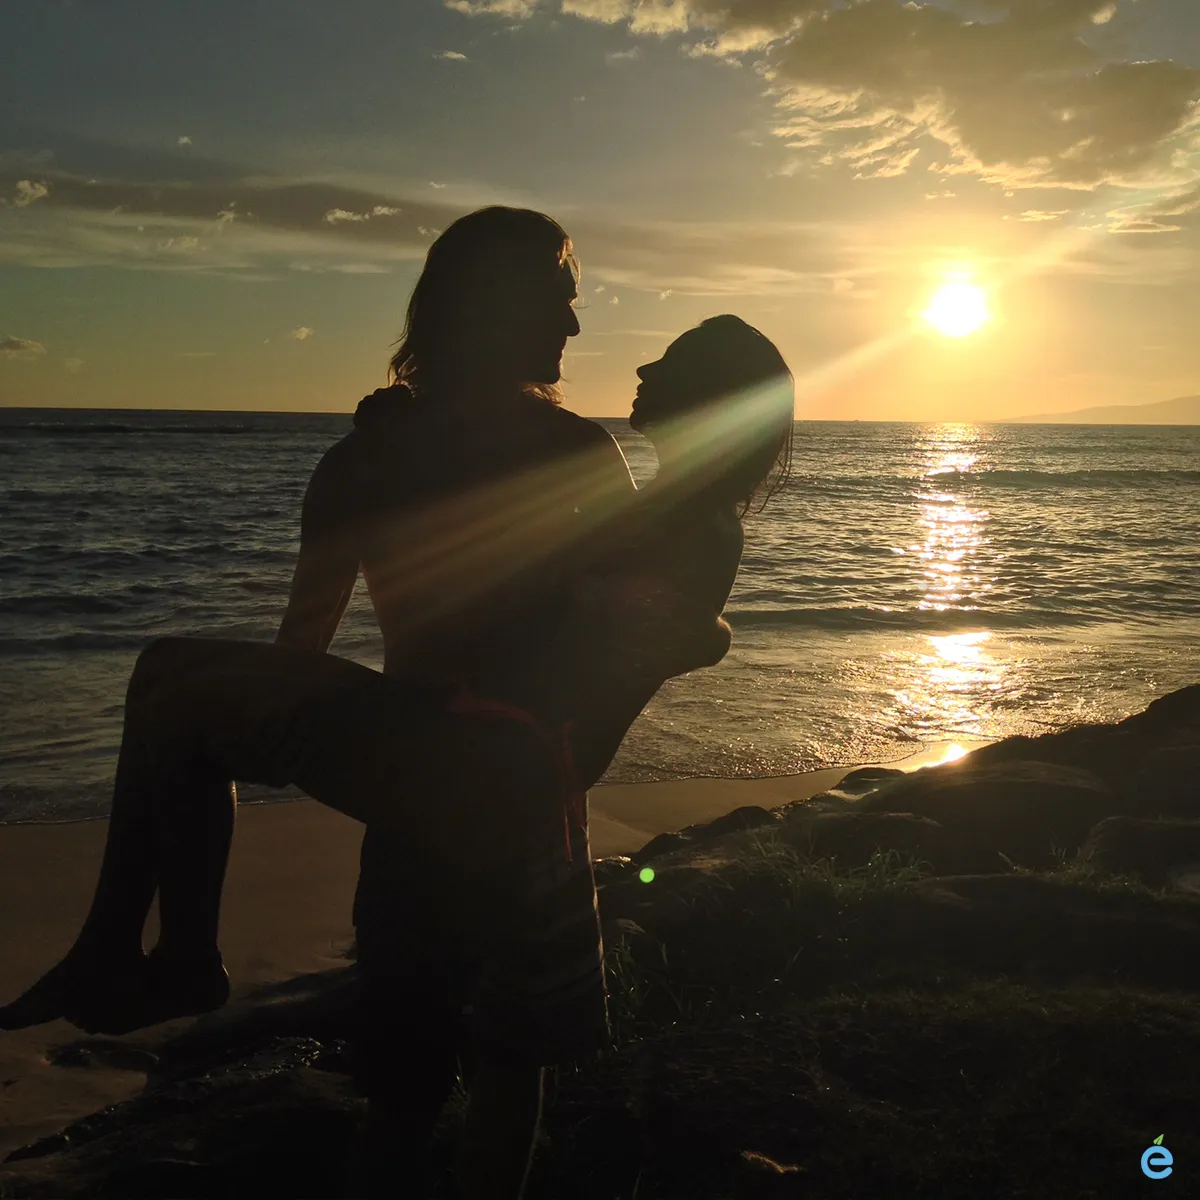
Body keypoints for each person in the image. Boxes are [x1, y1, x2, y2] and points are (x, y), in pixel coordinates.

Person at [0, 316, 794, 1200]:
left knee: (457, 1051)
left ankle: (160, 952)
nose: (644, 364)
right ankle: (150, 951)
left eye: (674, 362)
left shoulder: (688, 522)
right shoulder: (669, 510)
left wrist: (409, 450)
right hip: (513, 773)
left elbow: (566, 625)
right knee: (470, 1048)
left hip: (493, 768)